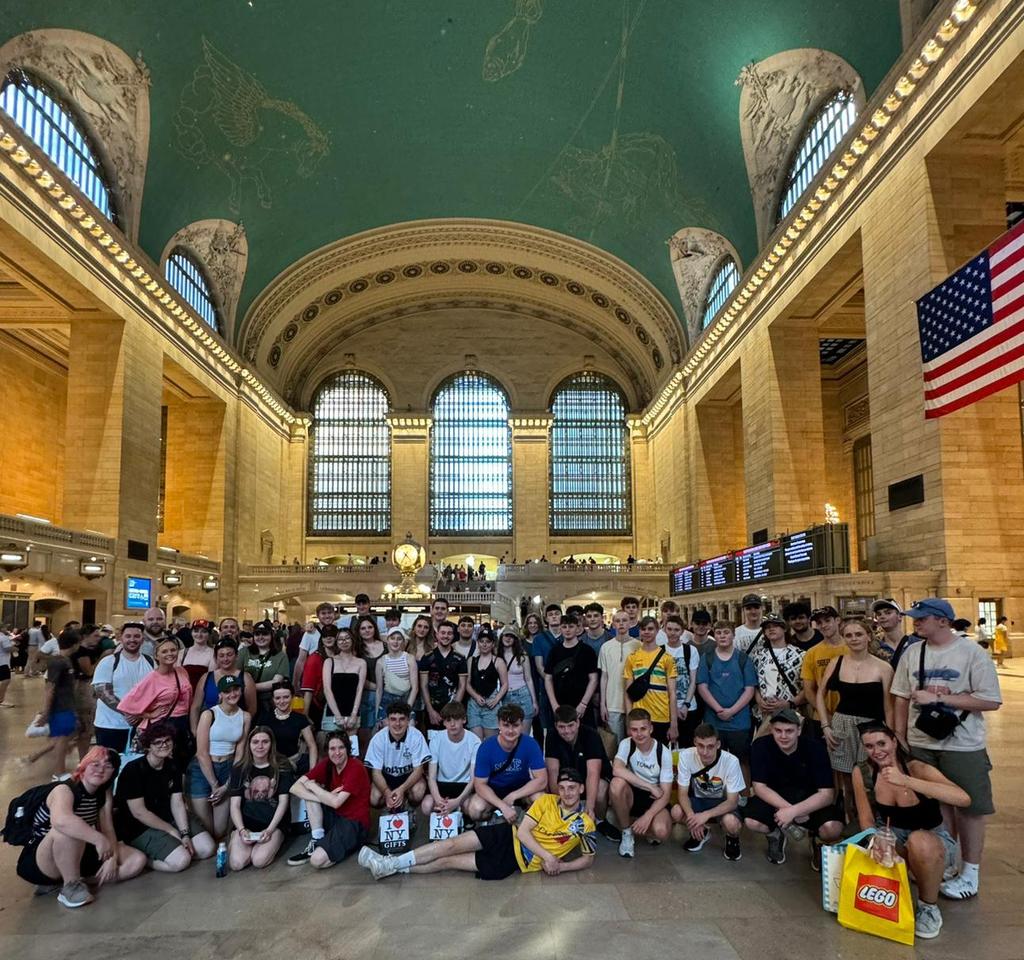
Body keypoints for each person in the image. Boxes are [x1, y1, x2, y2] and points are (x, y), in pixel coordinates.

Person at [891, 597, 1002, 901]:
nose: (916, 622)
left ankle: (970, 872)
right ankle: (946, 860)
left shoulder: (971, 653)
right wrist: (899, 733)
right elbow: (900, 696)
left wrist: (940, 699)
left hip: (963, 745)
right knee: (936, 806)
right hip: (921, 742)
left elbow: (990, 700)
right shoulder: (913, 652)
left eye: (922, 617)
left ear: (943, 620)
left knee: (970, 807)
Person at [358, 767, 596, 880]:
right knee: (450, 845)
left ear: (581, 789)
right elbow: (523, 833)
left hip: (515, 861)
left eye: (572, 788)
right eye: (562, 787)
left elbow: (588, 859)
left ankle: (389, 866)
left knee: (447, 862)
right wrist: (549, 857)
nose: (566, 793)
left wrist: (561, 867)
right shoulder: (546, 801)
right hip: (506, 835)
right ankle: (392, 862)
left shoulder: (586, 824)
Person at [852, 720, 971, 940]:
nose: (877, 751)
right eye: (869, 746)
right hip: (892, 836)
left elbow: (963, 798)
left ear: (894, 742)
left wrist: (907, 781)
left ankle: (928, 906)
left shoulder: (918, 769)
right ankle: (892, 895)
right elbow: (866, 819)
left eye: (881, 743)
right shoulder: (863, 771)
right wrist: (875, 839)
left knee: (919, 841)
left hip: (931, 840)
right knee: (878, 842)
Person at [16, 747, 146, 908]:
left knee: (136, 860)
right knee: (70, 829)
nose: (101, 770)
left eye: (108, 766)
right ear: (84, 765)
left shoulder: (102, 794)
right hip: (42, 857)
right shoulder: (64, 789)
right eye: (95, 764)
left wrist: (111, 859)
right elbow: (61, 821)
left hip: (77, 849)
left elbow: (107, 829)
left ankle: (80, 880)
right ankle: (70, 887)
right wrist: (98, 839)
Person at [743, 709, 843, 867]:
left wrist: (796, 811)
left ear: (799, 730)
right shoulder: (760, 746)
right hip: (775, 798)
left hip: (809, 799)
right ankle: (775, 835)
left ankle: (817, 841)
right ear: (771, 729)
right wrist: (790, 810)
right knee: (751, 821)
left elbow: (827, 794)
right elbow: (759, 787)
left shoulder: (816, 748)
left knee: (833, 829)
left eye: (789, 731)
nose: (783, 736)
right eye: (778, 730)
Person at [817, 616, 894, 818]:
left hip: (873, 727)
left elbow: (889, 706)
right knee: (845, 779)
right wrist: (825, 725)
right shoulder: (836, 663)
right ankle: (850, 819)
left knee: (871, 776)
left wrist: (891, 734)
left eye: (858, 634)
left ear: (868, 636)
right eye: (849, 635)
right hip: (842, 724)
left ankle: (874, 820)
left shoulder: (884, 668)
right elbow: (820, 694)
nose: (854, 639)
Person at [114, 721, 215, 872]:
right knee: (181, 861)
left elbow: (177, 802)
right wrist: (171, 831)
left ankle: (171, 848)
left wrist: (184, 833)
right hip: (139, 826)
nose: (164, 745)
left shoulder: (172, 765)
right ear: (148, 746)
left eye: (168, 740)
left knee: (207, 849)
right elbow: (139, 812)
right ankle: (147, 860)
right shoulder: (133, 770)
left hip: (167, 816)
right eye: (158, 742)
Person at [287, 731, 371, 868]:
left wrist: (314, 787)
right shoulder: (327, 763)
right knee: (309, 792)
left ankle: (348, 845)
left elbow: (336, 803)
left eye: (341, 747)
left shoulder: (355, 767)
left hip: (354, 824)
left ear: (347, 749)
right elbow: (294, 788)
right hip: (335, 816)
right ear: (327, 751)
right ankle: (317, 839)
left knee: (316, 861)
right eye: (332, 748)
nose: (337, 753)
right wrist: (323, 796)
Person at [189, 675, 252, 841]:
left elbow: (240, 751)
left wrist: (228, 784)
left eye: (236, 689)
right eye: (227, 691)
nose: (232, 694)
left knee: (218, 830)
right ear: (220, 694)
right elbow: (201, 752)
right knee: (206, 829)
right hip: (203, 768)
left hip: (228, 766)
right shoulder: (209, 714)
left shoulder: (245, 716)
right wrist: (214, 784)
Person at [672, 722, 745, 860]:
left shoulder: (731, 761)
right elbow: (682, 794)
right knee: (676, 812)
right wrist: (692, 818)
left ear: (718, 744)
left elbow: (732, 802)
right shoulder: (686, 756)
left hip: (722, 803)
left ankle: (732, 838)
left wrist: (705, 815)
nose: (705, 752)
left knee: (731, 823)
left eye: (710, 746)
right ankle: (702, 832)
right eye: (700, 746)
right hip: (698, 800)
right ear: (695, 742)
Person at [545, 704, 618, 840]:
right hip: (567, 780)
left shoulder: (591, 735)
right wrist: (561, 805)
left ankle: (599, 820)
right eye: (562, 727)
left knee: (601, 789)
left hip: (589, 779)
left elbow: (593, 773)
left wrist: (589, 807)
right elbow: (553, 771)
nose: (567, 731)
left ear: (578, 723)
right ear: (556, 726)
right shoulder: (551, 735)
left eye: (570, 725)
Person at [226, 727, 294, 871]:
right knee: (237, 864)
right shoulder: (239, 769)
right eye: (255, 742)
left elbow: (283, 803)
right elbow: (235, 805)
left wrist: (269, 830)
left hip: (273, 824)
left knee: (259, 861)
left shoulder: (282, 767)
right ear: (249, 745)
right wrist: (241, 830)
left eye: (265, 742)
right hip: (246, 824)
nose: (260, 746)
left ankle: (277, 839)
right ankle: (236, 838)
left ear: (271, 744)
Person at [696, 621, 756, 783]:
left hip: (739, 722)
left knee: (742, 761)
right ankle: (717, 792)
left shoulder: (743, 659)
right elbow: (702, 686)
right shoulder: (707, 658)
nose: (722, 636)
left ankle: (744, 794)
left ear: (733, 635)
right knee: (714, 760)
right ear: (714, 635)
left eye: (726, 632)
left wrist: (732, 711)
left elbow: (749, 689)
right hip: (714, 721)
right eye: (719, 633)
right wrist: (718, 709)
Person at [610, 708, 674, 856]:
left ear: (651, 728)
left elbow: (665, 795)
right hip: (634, 793)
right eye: (634, 730)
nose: (639, 734)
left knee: (661, 832)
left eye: (643, 729)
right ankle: (626, 832)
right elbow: (617, 769)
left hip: (655, 798)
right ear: (629, 731)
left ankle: (643, 826)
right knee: (616, 784)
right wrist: (650, 786)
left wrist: (648, 815)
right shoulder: (627, 744)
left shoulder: (663, 752)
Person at [467, 703, 546, 822]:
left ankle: (527, 822)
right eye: (506, 725)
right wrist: (503, 806)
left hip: (521, 790)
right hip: (494, 791)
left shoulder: (530, 744)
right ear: (499, 724)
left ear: (522, 725)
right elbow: (480, 785)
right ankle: (494, 822)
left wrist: (513, 796)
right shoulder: (486, 747)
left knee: (541, 800)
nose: (510, 730)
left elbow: (542, 780)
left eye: (515, 725)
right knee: (475, 809)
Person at [116, 637, 193, 756]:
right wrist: (149, 715)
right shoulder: (152, 678)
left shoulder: (182, 671)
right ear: (156, 656)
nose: (170, 654)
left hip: (182, 724)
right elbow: (126, 705)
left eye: (173, 650)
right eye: (164, 651)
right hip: (162, 727)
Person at [92, 622, 154, 752]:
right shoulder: (108, 662)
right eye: (128, 636)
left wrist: (142, 714)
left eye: (137, 636)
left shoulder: (151, 662)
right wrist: (128, 712)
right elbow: (102, 691)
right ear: (121, 638)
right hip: (110, 725)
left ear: (142, 639)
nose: (132, 640)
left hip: (141, 726)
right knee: (109, 762)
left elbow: (155, 691)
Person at [365, 701, 430, 812]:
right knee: (374, 798)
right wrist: (386, 792)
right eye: (393, 719)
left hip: (408, 777)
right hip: (387, 777)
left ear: (408, 720)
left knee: (418, 791)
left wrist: (401, 789)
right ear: (387, 721)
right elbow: (376, 773)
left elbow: (419, 770)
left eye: (402, 719)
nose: (397, 724)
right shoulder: (378, 739)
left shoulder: (416, 736)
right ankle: (388, 808)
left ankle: (409, 808)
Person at [623, 616, 678, 744]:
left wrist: (674, 724)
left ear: (657, 630)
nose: (647, 632)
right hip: (639, 717)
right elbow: (627, 693)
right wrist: (629, 721)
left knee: (660, 753)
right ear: (639, 631)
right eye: (643, 629)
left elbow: (672, 693)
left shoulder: (667, 658)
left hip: (661, 715)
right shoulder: (632, 658)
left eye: (650, 629)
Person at [32, 630, 79, 780]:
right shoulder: (58, 662)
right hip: (60, 707)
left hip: (67, 706)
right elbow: (50, 688)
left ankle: (38, 756)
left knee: (67, 735)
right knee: (62, 738)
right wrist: (46, 712)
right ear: (75, 645)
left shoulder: (65, 661)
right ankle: (59, 772)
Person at [421, 701, 481, 818]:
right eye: (448, 720)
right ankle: (440, 822)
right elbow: (431, 777)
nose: (452, 724)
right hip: (442, 784)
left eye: (456, 719)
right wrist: (438, 800)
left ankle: (464, 820)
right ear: (444, 722)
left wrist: (457, 801)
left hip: (464, 785)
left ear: (464, 720)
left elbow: (473, 779)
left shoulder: (475, 741)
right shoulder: (436, 740)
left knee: (470, 807)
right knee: (426, 806)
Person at [750, 613, 805, 735]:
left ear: (784, 628)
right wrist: (759, 700)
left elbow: (807, 688)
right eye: (767, 627)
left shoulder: (800, 655)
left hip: (790, 713)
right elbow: (753, 683)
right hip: (764, 713)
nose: (771, 629)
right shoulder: (758, 655)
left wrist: (789, 703)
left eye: (775, 626)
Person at [544, 613, 599, 729]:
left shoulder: (587, 651)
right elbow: (548, 678)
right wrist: (554, 705)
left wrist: (583, 703)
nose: (567, 630)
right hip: (560, 703)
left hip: (582, 703)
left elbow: (593, 679)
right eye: (564, 627)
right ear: (560, 629)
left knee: (586, 735)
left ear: (577, 628)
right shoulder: (554, 651)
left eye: (571, 626)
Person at [800, 606, 847, 737]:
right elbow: (809, 690)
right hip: (821, 719)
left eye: (827, 620)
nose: (824, 625)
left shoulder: (852, 648)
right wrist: (826, 715)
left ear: (837, 620)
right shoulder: (812, 653)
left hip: (851, 715)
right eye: (819, 622)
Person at [190, 638, 258, 726]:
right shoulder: (206, 677)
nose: (225, 659)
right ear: (215, 658)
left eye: (229, 655)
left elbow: (252, 708)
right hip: (209, 727)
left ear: (236, 656)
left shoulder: (245, 678)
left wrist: (241, 726)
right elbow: (196, 707)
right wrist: (195, 730)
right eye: (221, 656)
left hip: (236, 727)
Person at [598, 610, 641, 743]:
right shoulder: (606, 647)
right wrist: (603, 704)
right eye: (618, 621)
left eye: (624, 620)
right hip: (612, 704)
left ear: (630, 623)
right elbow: (604, 677)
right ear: (613, 624)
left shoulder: (638, 646)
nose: (621, 624)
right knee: (615, 744)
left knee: (636, 742)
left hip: (634, 703)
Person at [259, 680, 317, 775]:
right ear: (273, 699)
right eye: (278, 698)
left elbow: (312, 745)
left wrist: (312, 772)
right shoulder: (264, 718)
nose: (282, 701)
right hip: (270, 763)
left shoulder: (300, 718)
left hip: (294, 762)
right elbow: (255, 742)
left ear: (292, 697)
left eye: (286, 697)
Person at [419, 620, 468, 729]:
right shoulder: (427, 658)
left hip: (453, 709)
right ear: (437, 635)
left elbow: (462, 686)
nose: (446, 636)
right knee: (433, 738)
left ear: (453, 636)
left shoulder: (460, 658)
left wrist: (452, 711)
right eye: (443, 633)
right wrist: (430, 710)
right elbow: (423, 685)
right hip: (433, 710)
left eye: (449, 633)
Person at [662, 614, 700, 746]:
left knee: (687, 746)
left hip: (688, 706)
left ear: (682, 631)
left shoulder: (690, 650)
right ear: (664, 630)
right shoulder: (660, 650)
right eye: (669, 629)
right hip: (665, 707)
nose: (672, 633)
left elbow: (693, 680)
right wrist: (672, 708)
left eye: (676, 630)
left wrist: (686, 705)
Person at [321, 627, 366, 740]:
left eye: (347, 638)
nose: (344, 641)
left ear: (352, 640)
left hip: (353, 713)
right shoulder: (329, 662)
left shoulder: (361, 663)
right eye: (340, 639)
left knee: (351, 748)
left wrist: (354, 714)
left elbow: (360, 689)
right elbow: (327, 689)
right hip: (332, 713)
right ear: (336, 642)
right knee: (331, 746)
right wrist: (337, 716)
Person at [466, 625, 509, 738]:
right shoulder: (471, 660)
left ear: (493, 644)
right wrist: (476, 696)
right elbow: (467, 683)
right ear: (478, 643)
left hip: (491, 703)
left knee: (490, 742)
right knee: (476, 741)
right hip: (474, 704)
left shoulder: (498, 661)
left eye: (488, 642)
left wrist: (496, 699)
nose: (484, 644)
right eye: (482, 641)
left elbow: (505, 684)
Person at [239, 619, 289, 714]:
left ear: (271, 635)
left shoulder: (280, 656)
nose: (261, 637)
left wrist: (249, 687)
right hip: (245, 700)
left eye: (265, 634)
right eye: (257, 634)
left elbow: (276, 681)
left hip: (268, 702)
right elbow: (236, 674)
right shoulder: (244, 652)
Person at [70, 625, 102, 760]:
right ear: (85, 636)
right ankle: (83, 758)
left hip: (88, 689)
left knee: (87, 728)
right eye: (95, 635)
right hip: (83, 690)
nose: (98, 638)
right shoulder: (82, 652)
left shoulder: (90, 650)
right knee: (85, 728)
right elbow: (89, 671)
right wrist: (102, 658)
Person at [376, 626, 419, 723]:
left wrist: (408, 708)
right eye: (392, 638)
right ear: (388, 640)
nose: (395, 642)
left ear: (403, 642)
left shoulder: (409, 658)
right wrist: (377, 712)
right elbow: (379, 689)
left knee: (410, 726)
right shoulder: (381, 661)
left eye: (399, 639)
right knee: (385, 727)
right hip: (387, 700)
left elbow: (415, 688)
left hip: (406, 699)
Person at [356, 615, 385, 752]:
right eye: (363, 628)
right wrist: (377, 687)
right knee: (365, 736)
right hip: (365, 696)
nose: (367, 630)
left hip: (385, 696)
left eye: (370, 627)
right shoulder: (356, 649)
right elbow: (356, 675)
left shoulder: (385, 645)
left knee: (382, 733)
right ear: (358, 631)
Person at [292, 602, 337, 688]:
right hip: (316, 676)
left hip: (335, 674)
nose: (327, 616)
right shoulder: (310, 633)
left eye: (329, 613)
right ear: (318, 615)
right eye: (323, 613)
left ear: (334, 614)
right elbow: (301, 660)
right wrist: (295, 683)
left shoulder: (339, 629)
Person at [498, 625, 537, 721]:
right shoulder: (496, 655)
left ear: (515, 640)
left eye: (511, 636)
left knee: (524, 728)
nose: (508, 638)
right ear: (501, 637)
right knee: (508, 727)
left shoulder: (522, 656)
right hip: (505, 696)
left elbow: (528, 679)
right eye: (506, 635)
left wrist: (534, 701)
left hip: (522, 693)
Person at [871, 598, 920, 667]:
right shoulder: (874, 647)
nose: (882, 616)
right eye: (879, 614)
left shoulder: (916, 643)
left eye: (888, 613)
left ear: (900, 616)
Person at [179, 618, 215, 691]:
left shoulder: (213, 654)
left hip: (203, 693)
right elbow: (177, 678)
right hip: (184, 693)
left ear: (209, 634)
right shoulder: (182, 653)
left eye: (204, 632)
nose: (199, 634)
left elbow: (211, 680)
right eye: (196, 631)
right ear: (191, 633)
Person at [0, 620, 13, 707]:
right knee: (6, 680)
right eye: (5, 628)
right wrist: (15, 648)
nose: (7, 629)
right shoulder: (3, 637)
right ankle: (1, 700)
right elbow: (7, 648)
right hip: (3, 662)